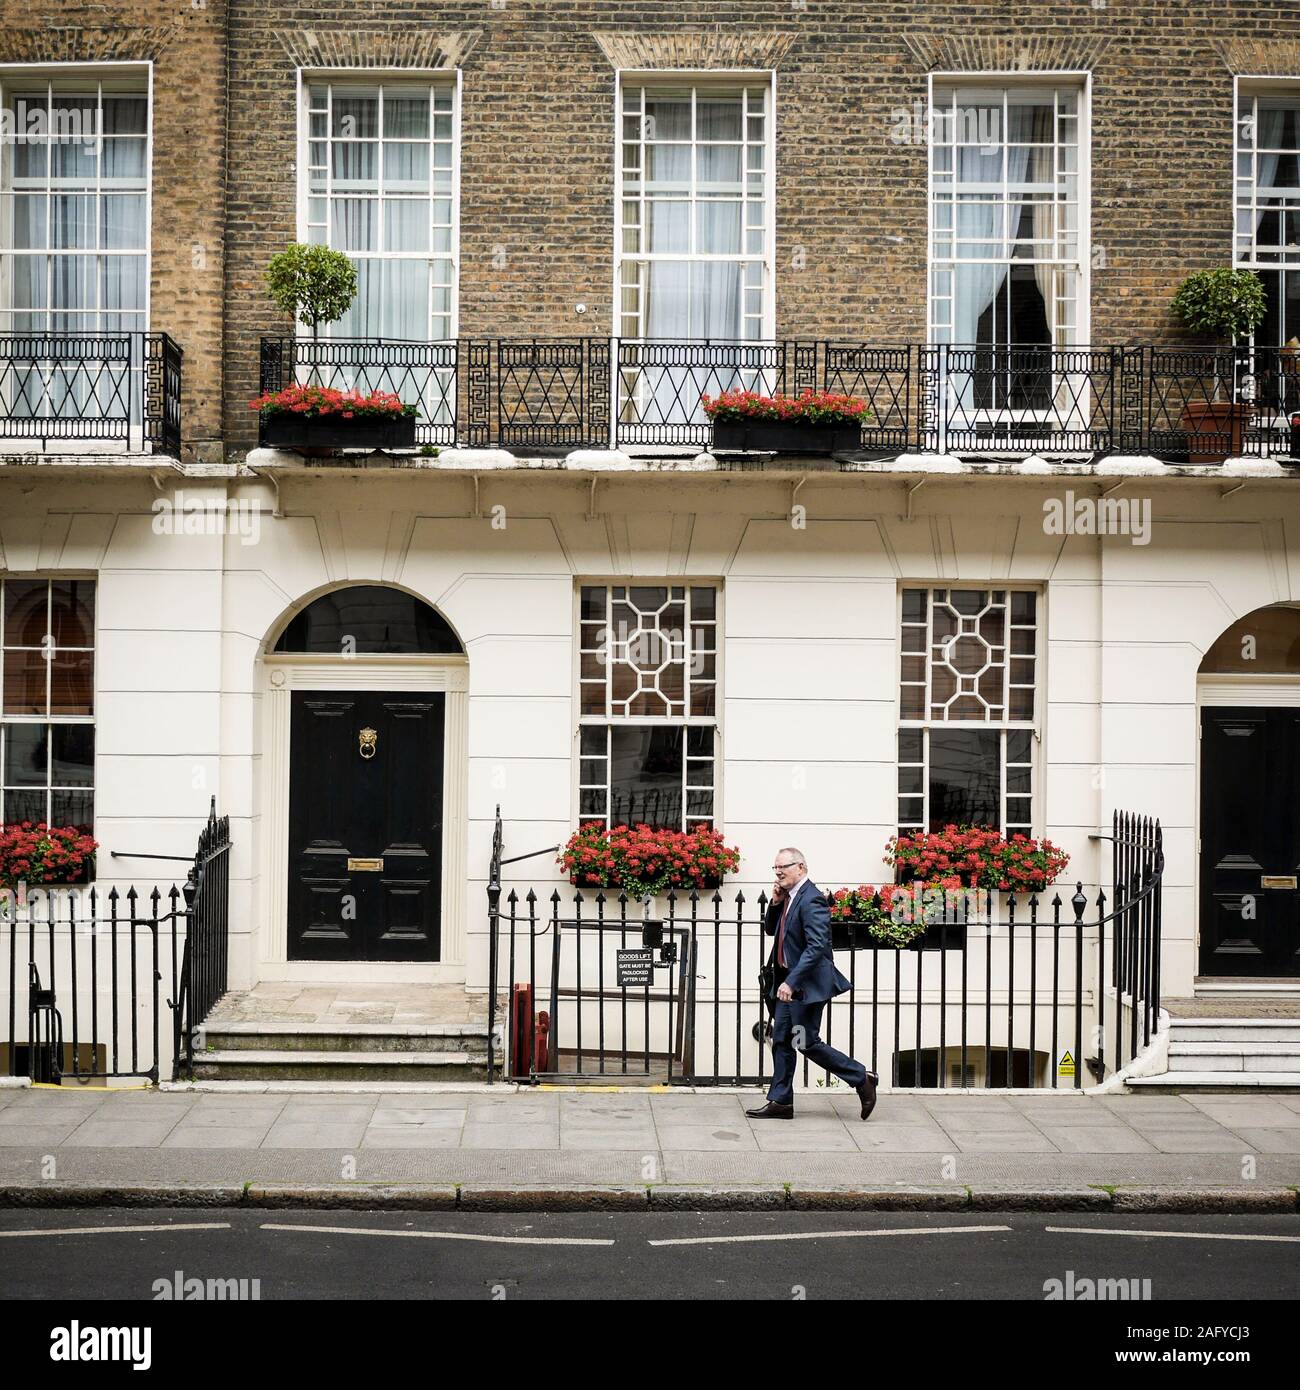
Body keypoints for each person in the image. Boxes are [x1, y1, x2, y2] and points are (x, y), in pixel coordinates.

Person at [746, 847, 879, 1121]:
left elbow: (817, 947)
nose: (778, 872)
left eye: (784, 867)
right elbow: (771, 930)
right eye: (776, 868)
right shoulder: (789, 896)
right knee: (782, 1039)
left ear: (801, 868)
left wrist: (792, 982)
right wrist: (774, 902)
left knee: (805, 1041)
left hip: (805, 986)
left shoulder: (812, 899)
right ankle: (781, 1101)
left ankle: (861, 1078)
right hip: (787, 983)